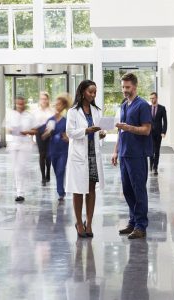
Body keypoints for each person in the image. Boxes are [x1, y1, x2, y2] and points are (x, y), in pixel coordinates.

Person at [112, 73, 152, 239]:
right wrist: (115, 151)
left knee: (138, 191)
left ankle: (141, 226)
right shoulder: (123, 105)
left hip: (137, 155)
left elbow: (146, 129)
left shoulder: (142, 105)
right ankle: (133, 221)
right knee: (127, 190)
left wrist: (129, 127)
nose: (124, 90)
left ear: (135, 86)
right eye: (123, 87)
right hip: (124, 154)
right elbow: (120, 131)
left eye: (127, 87)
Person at [66, 80, 105, 238]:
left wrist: (101, 134)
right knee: (78, 190)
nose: (93, 95)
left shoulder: (96, 110)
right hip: (79, 156)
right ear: (82, 92)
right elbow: (70, 132)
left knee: (91, 190)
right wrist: (86, 130)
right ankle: (78, 223)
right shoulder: (73, 112)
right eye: (90, 92)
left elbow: (99, 131)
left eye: (95, 92)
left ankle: (88, 224)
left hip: (93, 155)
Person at [5, 95, 37, 202]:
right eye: (18, 104)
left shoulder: (29, 116)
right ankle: (18, 190)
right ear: (15, 103)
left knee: (21, 168)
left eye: (22, 103)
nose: (20, 105)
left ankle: (20, 193)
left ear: (24, 103)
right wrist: (11, 130)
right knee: (16, 168)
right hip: (14, 144)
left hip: (25, 145)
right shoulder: (10, 114)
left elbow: (35, 130)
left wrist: (26, 132)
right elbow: (6, 128)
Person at [42, 94, 71, 201]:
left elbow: (70, 137)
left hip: (63, 149)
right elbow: (44, 136)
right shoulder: (50, 120)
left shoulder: (66, 121)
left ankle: (61, 192)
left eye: (59, 104)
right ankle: (61, 190)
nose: (57, 106)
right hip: (53, 149)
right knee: (56, 171)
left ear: (63, 106)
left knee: (60, 170)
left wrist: (67, 138)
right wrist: (47, 133)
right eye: (56, 104)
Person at [33, 91, 54, 186]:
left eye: (45, 99)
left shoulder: (51, 111)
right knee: (42, 155)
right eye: (42, 99)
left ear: (48, 100)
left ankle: (48, 172)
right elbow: (33, 124)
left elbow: (54, 122)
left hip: (50, 134)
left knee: (48, 155)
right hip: (39, 134)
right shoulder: (36, 111)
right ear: (39, 100)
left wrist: (49, 130)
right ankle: (43, 177)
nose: (43, 100)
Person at [149, 92, 167, 175]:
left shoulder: (162, 108)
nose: (152, 100)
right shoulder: (148, 108)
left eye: (153, 98)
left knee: (157, 151)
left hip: (158, 133)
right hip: (149, 133)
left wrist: (163, 132)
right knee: (150, 150)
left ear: (156, 98)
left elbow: (165, 121)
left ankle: (155, 167)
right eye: (151, 98)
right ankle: (151, 165)